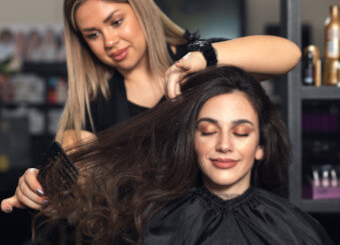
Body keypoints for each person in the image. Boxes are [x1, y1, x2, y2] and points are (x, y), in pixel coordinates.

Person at [1, 0, 301, 213]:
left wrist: (204, 58)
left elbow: (289, 54)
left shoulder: (198, 63)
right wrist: (40, 185)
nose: (110, 41)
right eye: (93, 34)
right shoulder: (97, 106)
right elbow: (76, 179)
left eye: (116, 22)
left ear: (141, 10)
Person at [34, 66, 333, 245]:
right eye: (207, 131)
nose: (224, 145)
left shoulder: (296, 229)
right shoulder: (151, 221)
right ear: (190, 141)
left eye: (241, 132)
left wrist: (202, 54)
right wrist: (40, 184)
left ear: (260, 147)